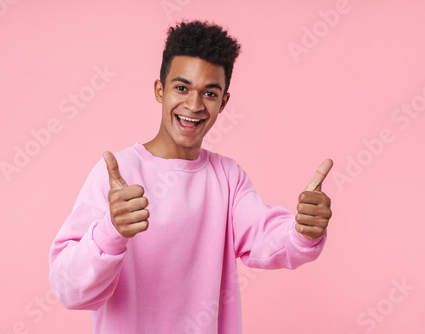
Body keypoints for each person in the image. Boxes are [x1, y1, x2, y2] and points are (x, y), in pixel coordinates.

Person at [49, 19, 333, 334]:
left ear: (223, 102)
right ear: (160, 90)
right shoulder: (116, 174)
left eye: (209, 93)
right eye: (182, 87)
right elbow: (69, 290)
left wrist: (304, 230)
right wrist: (111, 231)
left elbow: (267, 239)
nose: (194, 105)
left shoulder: (228, 177)